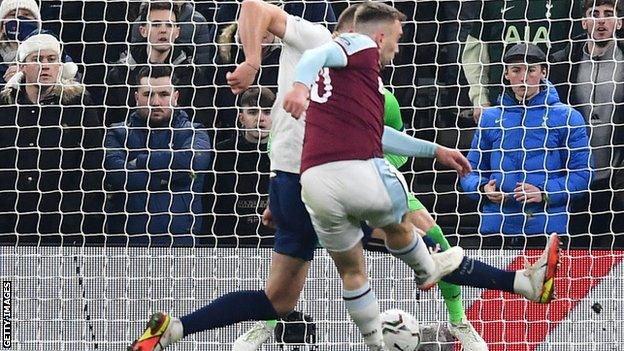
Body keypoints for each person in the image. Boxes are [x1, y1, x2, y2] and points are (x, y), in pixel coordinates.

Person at [127, 3, 561, 351]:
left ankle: (173, 330)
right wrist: (254, 62)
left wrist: (436, 149)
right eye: (392, 38)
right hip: (320, 180)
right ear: (366, 32)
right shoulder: (320, 38)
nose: (394, 48)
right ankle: (500, 290)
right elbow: (253, 6)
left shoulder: (359, 80)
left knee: (279, 299)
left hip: (294, 182)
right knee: (415, 237)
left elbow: (373, 131)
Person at [461, 43, 593, 236]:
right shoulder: (489, 118)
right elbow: (469, 171)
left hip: (548, 230)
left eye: (531, 70)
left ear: (543, 72)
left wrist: (544, 193)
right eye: (516, 70)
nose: (523, 78)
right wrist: (482, 188)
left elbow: (582, 175)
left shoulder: (567, 117)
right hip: (496, 230)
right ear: (506, 74)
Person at [0, 32, 103, 241]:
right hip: (9, 222)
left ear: (60, 65)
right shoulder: (5, 107)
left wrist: (72, 211)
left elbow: (93, 162)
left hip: (63, 225)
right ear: (22, 66)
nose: (45, 65)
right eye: (37, 59)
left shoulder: (79, 104)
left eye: (51, 59)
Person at [103, 65, 211, 246]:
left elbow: (191, 161)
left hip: (180, 243)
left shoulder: (194, 132)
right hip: (126, 243)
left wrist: (141, 161)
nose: (155, 102)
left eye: (163, 94)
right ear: (137, 98)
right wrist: (164, 180)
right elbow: (117, 174)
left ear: (175, 98)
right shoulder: (117, 132)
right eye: (148, 95)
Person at [550, 0, 624, 237]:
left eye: (608, 14)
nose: (601, 20)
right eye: (594, 13)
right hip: (573, 178)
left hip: (617, 180)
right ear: (583, 22)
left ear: (619, 22)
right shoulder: (561, 62)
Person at [461, 0, 583, 122]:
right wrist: (480, 98)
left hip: (553, 108)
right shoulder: (491, 3)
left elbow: (579, 50)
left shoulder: (568, 3)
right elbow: (474, 56)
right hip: (502, 107)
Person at [105, 2, 205, 126]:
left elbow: (201, 125)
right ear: (143, 30)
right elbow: (110, 126)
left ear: (177, 32)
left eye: (169, 25)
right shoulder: (119, 75)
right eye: (156, 24)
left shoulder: (192, 75)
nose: (163, 30)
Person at [207, 87, 274, 239]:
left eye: (267, 112)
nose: (260, 118)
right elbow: (212, 207)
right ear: (241, 118)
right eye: (252, 112)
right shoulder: (221, 153)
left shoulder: (287, 153)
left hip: (276, 246)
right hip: (231, 245)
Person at [0, 0, 41, 85]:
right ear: (2, 25)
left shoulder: (52, 51)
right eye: (12, 15)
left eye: (26, 14)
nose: (19, 18)